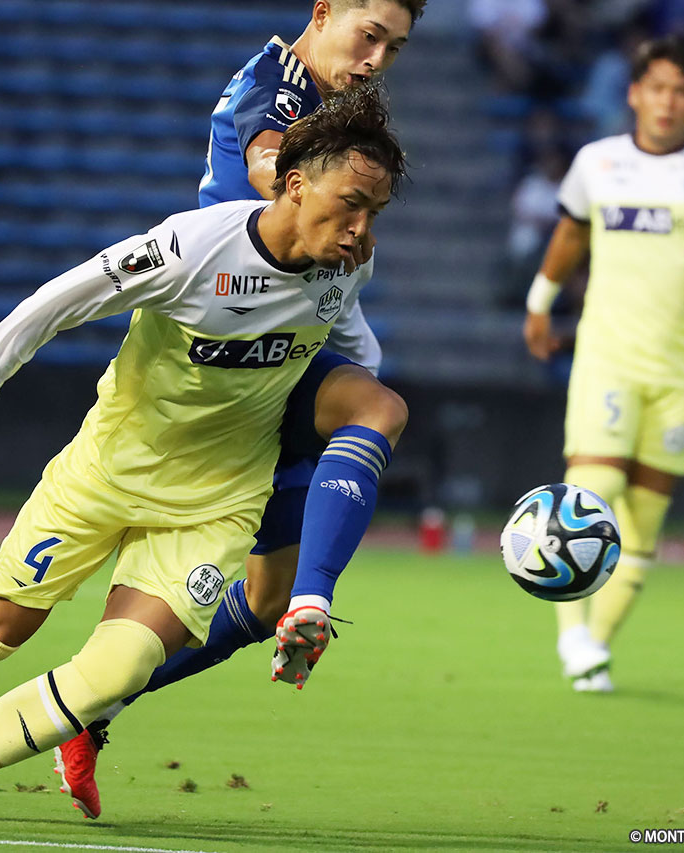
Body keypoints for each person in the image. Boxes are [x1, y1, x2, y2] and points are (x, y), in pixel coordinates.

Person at [0, 85, 410, 836]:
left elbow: (344, 331)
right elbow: (45, 309)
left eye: (376, 212)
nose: (362, 228)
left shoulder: (349, 262)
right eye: (351, 204)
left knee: (121, 667)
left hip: (214, 502)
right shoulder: (188, 250)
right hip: (106, 474)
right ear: (297, 184)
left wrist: (351, 408)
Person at [54, 0, 423, 819]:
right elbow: (266, 160)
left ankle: (92, 707)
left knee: (260, 602)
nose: (376, 59)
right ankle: (313, 602)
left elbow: (333, 278)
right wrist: (305, 199)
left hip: (286, 344)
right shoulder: (277, 89)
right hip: (231, 357)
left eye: (395, 47)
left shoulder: (331, 116)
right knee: (377, 410)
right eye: (368, 35)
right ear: (323, 12)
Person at [523, 34, 684, 692]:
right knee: (591, 493)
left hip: (683, 370)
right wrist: (540, 303)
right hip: (608, 355)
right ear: (634, 94)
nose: (668, 101)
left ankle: (594, 647)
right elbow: (570, 233)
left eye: (681, 90)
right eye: (657, 88)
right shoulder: (599, 163)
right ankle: (571, 633)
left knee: (643, 520)